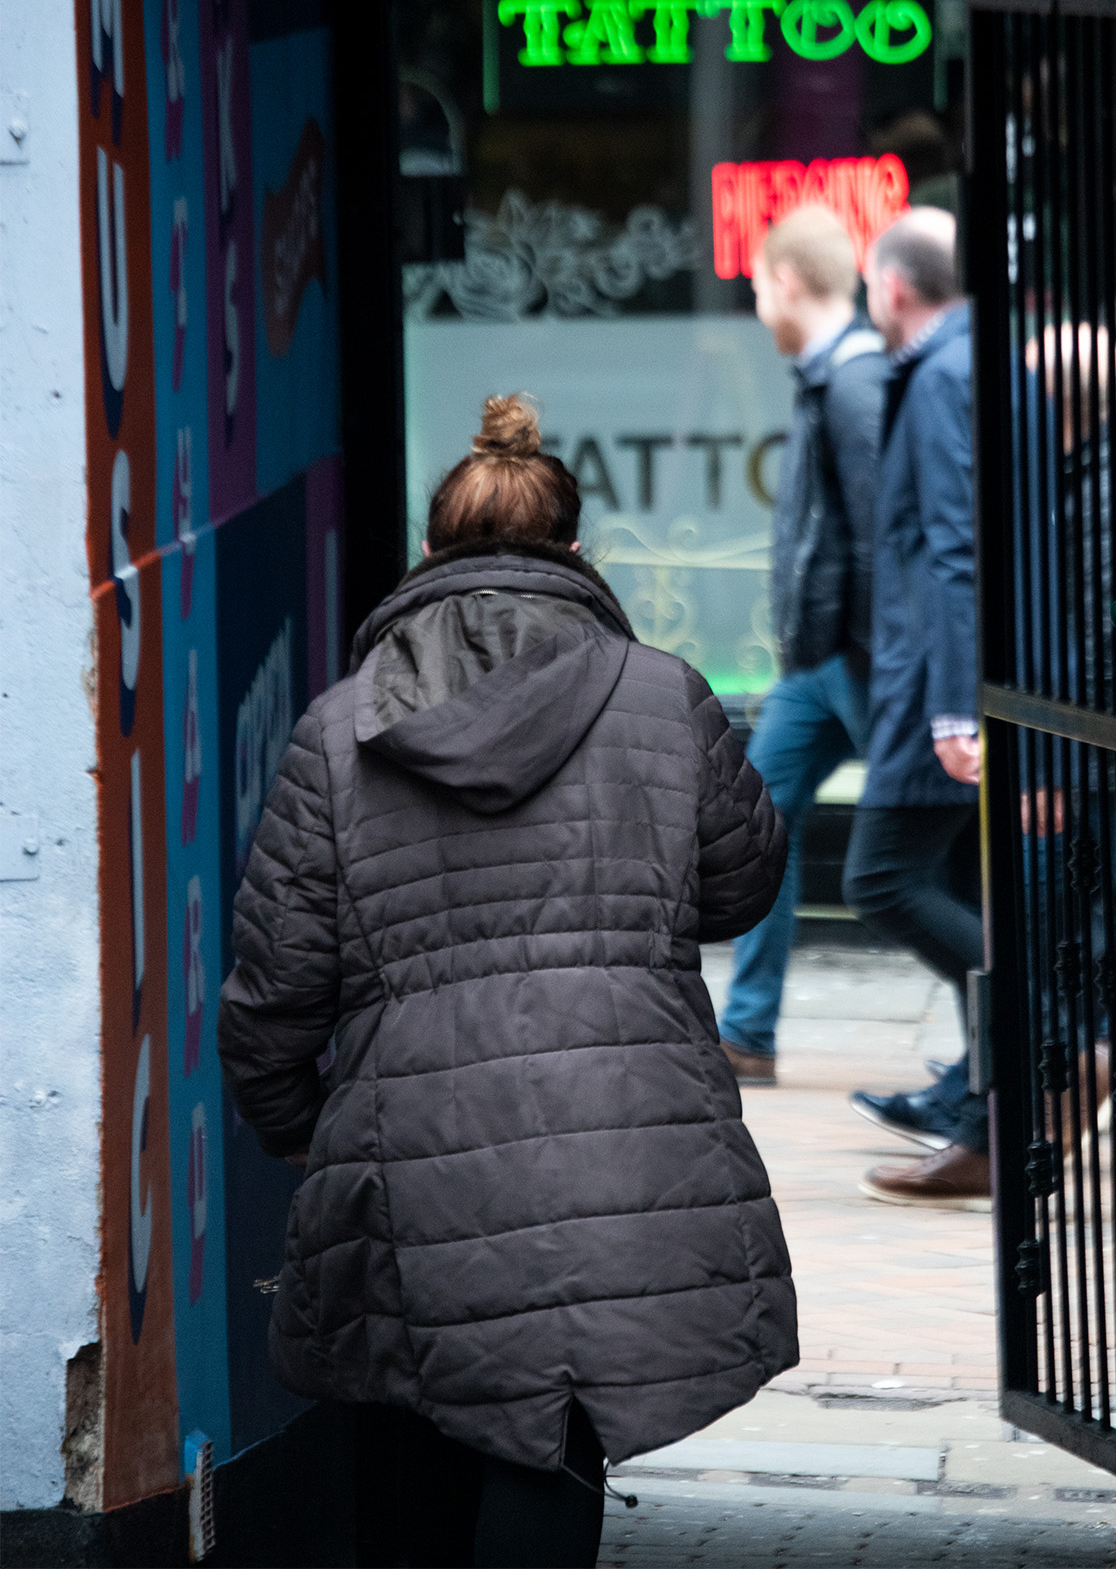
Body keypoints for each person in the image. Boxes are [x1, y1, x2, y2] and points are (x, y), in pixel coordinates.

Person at [218, 395, 798, 1569]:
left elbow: (276, 982)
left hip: (409, 1145)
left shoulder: (338, 735)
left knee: (428, 1417)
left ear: (427, 558)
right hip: (626, 1139)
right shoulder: (664, 693)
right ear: (578, 557)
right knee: (556, 1435)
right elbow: (741, 883)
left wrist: (293, 1125)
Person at [842, 209, 991, 1209]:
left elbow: (953, 547)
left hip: (934, 689)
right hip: (935, 676)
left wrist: (949, 707)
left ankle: (1052, 1031)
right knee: (964, 891)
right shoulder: (960, 360)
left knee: (881, 877)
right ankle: (985, 1114)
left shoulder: (940, 374)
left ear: (892, 288)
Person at [718, 205, 886, 1085]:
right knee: (759, 826)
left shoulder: (853, 383)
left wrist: (878, 663)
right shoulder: (830, 378)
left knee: (907, 864)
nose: (752, 300)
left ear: (787, 280)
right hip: (819, 667)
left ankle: (1029, 1039)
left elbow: (881, 542)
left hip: (853, 662)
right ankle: (746, 1035)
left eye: (754, 283)